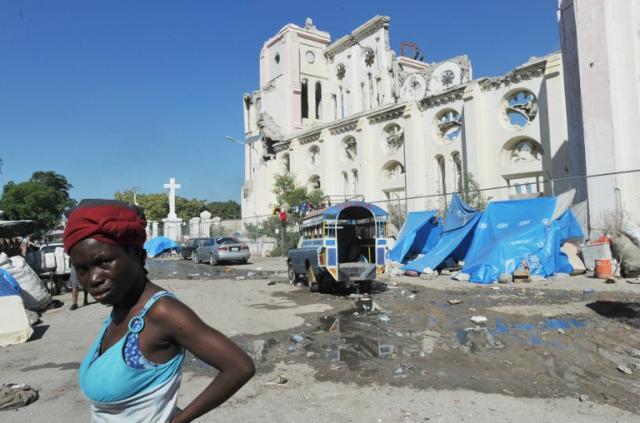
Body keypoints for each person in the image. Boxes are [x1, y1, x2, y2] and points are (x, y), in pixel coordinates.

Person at [63, 200, 254, 422]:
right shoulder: (120, 307)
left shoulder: (161, 313)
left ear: (138, 256)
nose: (93, 279)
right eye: (82, 269)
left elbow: (239, 367)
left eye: (104, 262)